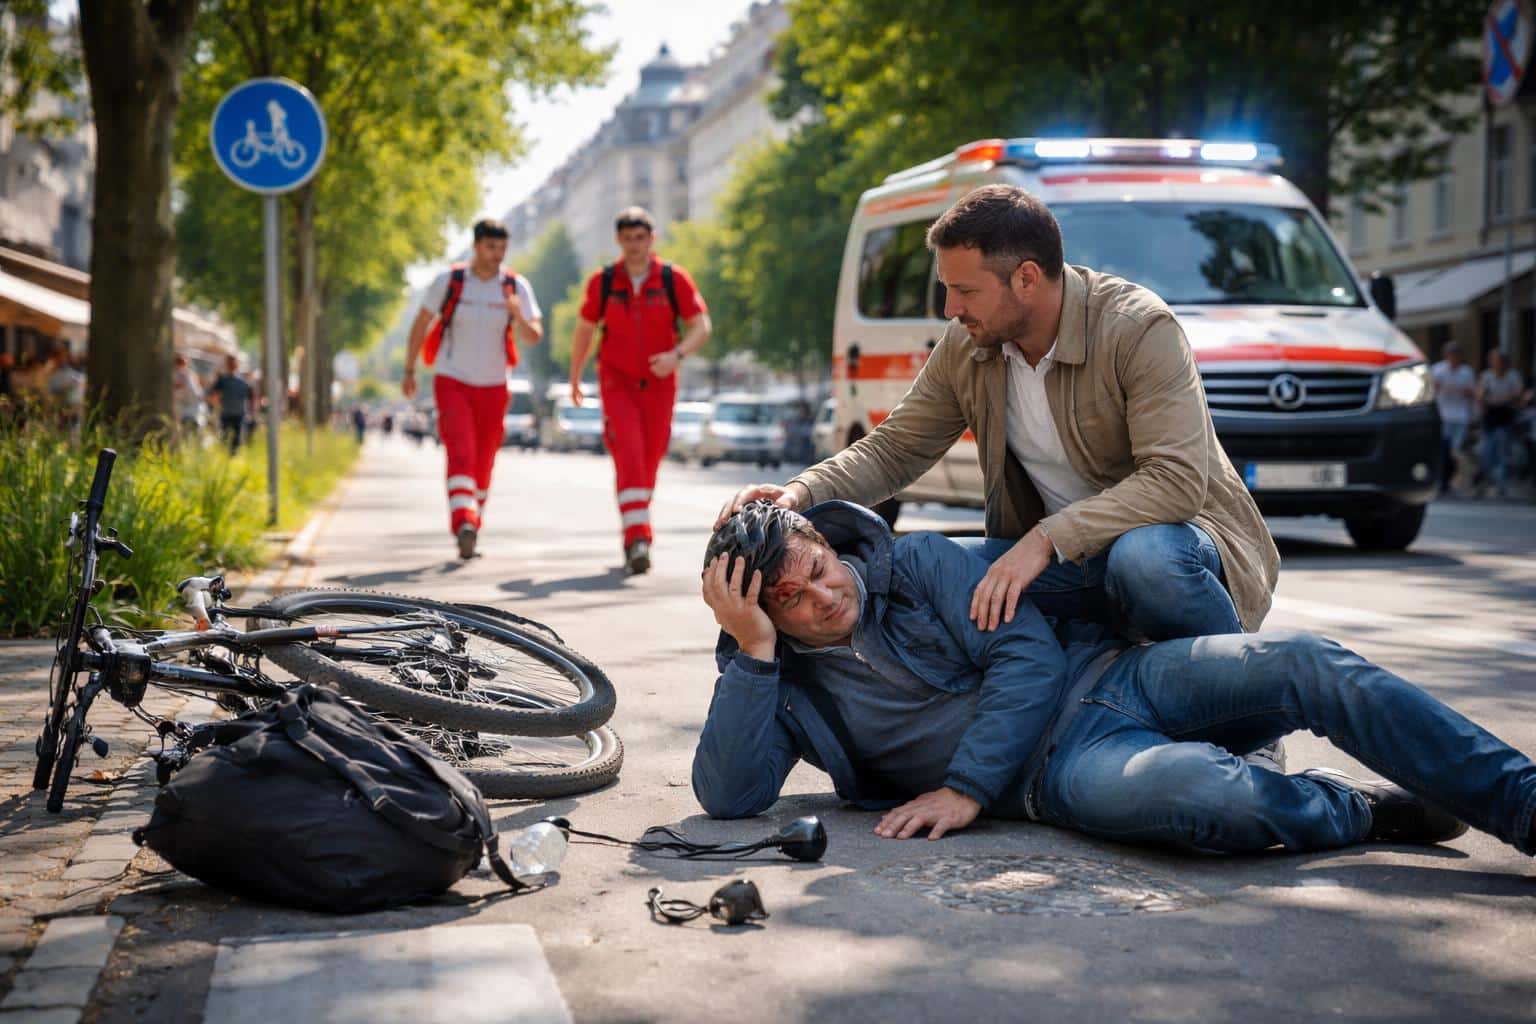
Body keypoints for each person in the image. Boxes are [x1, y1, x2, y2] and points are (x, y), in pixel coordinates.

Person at [694, 501, 1536, 859]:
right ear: (761, 611)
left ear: (825, 542)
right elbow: (730, 795)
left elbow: (1025, 658)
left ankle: (1520, 802)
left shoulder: (915, 564)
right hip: (1060, 774)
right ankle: (1354, 809)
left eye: (815, 568)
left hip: (1117, 678)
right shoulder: (783, 679)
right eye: (788, 600)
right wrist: (754, 653)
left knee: (1307, 661)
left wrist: (964, 788)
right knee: (1208, 795)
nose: (821, 597)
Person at [718, 184, 1278, 648]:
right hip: (1066, 562)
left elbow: (1175, 481)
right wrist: (799, 493)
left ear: (1026, 279)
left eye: (965, 291)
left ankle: (1250, 698)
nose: (950, 309)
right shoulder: (968, 343)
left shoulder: (1137, 328)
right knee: (914, 565)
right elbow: (895, 449)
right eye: (947, 290)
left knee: (1144, 560)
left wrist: (1045, 539)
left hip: (1179, 547)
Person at [570, 207, 712, 575]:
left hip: (660, 382)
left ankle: (636, 527)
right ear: (618, 240)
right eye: (628, 238)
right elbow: (585, 330)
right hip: (616, 381)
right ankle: (637, 538)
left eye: (640, 238)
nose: (634, 245)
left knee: (650, 458)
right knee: (630, 453)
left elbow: (701, 325)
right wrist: (575, 377)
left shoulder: (672, 279)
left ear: (651, 239)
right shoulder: (603, 282)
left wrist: (677, 355)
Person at [403, 218, 544, 560]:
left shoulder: (515, 286)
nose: (497, 255)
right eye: (491, 247)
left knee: (484, 458)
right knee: (461, 449)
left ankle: (472, 520)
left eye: (502, 249)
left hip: (495, 385)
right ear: (476, 247)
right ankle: (463, 520)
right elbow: (421, 324)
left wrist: (517, 314)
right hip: (452, 379)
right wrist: (410, 370)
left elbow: (533, 336)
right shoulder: (449, 281)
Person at [1476, 348, 1526, 499]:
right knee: (1488, 449)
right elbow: (1480, 395)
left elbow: (1518, 394)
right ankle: (1489, 481)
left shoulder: (1513, 376)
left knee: (1503, 448)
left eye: (1499, 361)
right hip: (1490, 416)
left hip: (1505, 415)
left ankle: (1501, 484)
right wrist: (1483, 401)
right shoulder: (1487, 376)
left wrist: (1503, 399)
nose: (1496, 364)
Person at [1430, 341, 1476, 494]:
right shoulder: (1438, 370)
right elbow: (1431, 390)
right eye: (1451, 355)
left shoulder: (1466, 372)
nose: (1454, 358)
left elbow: (1472, 393)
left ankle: (1455, 480)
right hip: (1443, 416)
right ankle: (1443, 480)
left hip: (1461, 416)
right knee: (1444, 450)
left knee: (1456, 451)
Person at [210, 355, 253, 453]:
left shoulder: (242, 382)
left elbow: (250, 396)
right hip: (227, 413)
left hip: (238, 414)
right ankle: (227, 455)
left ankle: (231, 456)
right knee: (225, 438)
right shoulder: (223, 380)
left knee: (235, 440)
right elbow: (213, 395)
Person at [174, 354, 206, 437]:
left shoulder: (191, 374)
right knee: (184, 426)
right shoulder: (176, 374)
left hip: (194, 405)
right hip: (182, 405)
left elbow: (197, 388)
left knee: (194, 425)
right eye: (182, 363)